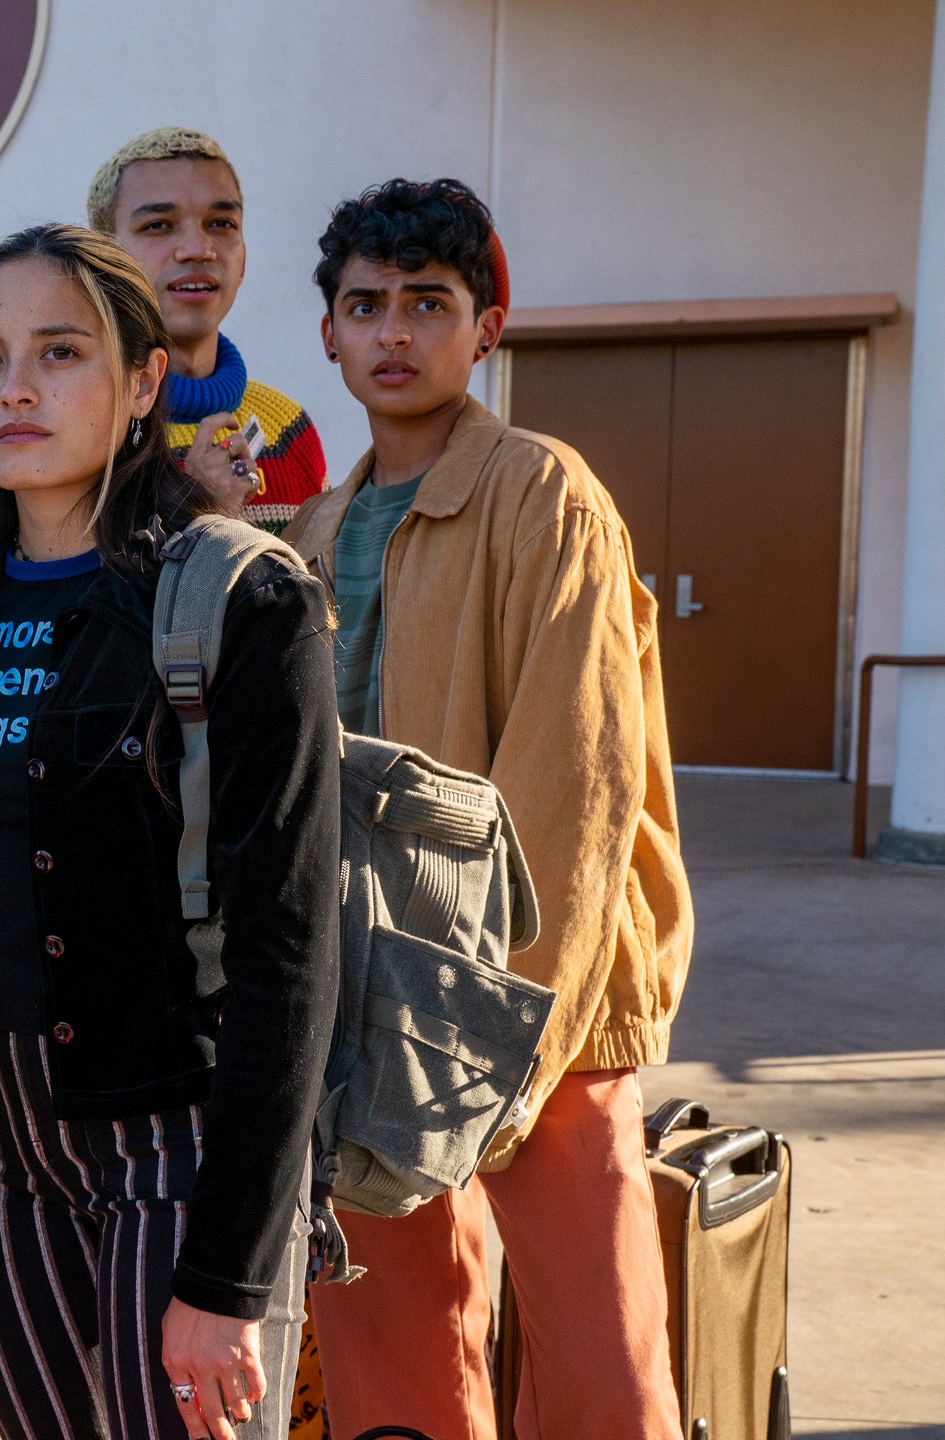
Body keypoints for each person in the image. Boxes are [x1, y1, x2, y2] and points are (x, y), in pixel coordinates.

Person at [0, 224, 341, 1440]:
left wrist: (229, 1275)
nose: (15, 387)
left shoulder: (241, 597)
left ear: (140, 384)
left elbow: (291, 953)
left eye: (59, 352)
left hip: (176, 1142)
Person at [283, 179, 692, 1440]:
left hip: (534, 995)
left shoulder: (543, 494)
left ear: (486, 328)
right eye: (366, 306)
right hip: (364, 978)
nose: (394, 331)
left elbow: (574, 781)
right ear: (331, 337)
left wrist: (514, 1024)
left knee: (594, 1353)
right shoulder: (312, 525)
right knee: (388, 1335)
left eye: (427, 304)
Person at [87, 127, 325, 533]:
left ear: (244, 256)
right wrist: (195, 506)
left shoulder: (287, 427)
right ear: (103, 256)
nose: (199, 248)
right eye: (159, 225)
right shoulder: (81, 426)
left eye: (221, 223)